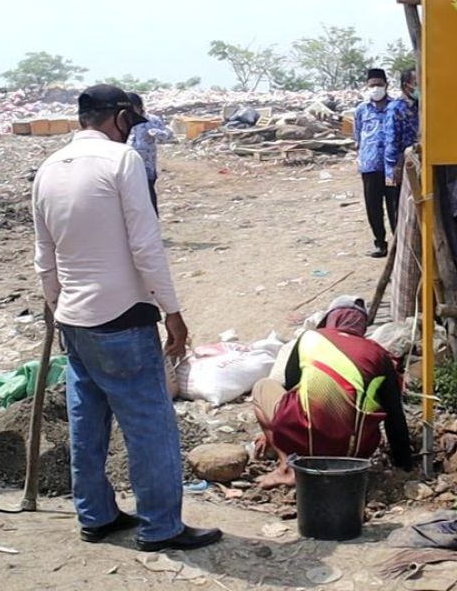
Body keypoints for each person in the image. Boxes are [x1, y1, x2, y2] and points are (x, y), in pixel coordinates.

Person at [32, 84, 221, 552]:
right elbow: (145, 245)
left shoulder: (48, 169)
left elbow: (44, 255)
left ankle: (95, 515)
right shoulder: (123, 162)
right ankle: (161, 527)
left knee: (87, 423)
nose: (130, 133)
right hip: (123, 318)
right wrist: (172, 310)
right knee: (150, 426)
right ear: (118, 117)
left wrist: (56, 309)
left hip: (75, 320)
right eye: (130, 123)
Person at [251, 295, 413, 488]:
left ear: (331, 319)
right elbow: (394, 415)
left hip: (306, 440)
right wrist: (404, 464)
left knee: (262, 387)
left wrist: (273, 430)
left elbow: (290, 385)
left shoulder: (311, 337)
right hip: (355, 453)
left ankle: (288, 468)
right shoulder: (378, 353)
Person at [354, 68, 394, 258]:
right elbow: (358, 134)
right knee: (373, 207)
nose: (375, 88)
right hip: (370, 166)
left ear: (386, 85)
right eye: (372, 85)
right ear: (366, 87)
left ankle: (399, 244)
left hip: (392, 167)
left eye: (379, 85)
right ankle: (380, 243)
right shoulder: (362, 109)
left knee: (395, 207)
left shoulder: (396, 107)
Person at [126, 92, 174, 216]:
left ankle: (152, 224)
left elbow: (167, 136)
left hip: (146, 165)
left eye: (133, 108)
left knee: (148, 196)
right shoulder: (124, 121)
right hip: (128, 166)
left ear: (139, 106)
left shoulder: (152, 120)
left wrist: (156, 132)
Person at [384, 67, 420, 191]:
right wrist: (394, 168)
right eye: (417, 83)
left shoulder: (420, 106)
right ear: (406, 86)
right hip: (403, 164)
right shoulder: (395, 108)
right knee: (401, 204)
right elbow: (391, 140)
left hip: (419, 163)